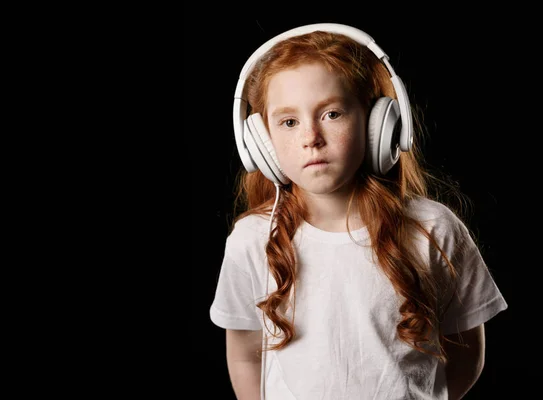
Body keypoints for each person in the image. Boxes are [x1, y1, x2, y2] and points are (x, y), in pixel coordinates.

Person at [209, 23, 508, 400]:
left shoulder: (433, 228)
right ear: (260, 143)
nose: (310, 138)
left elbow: (467, 351)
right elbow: (244, 356)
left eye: (331, 114)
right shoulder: (252, 240)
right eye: (288, 122)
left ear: (378, 123)